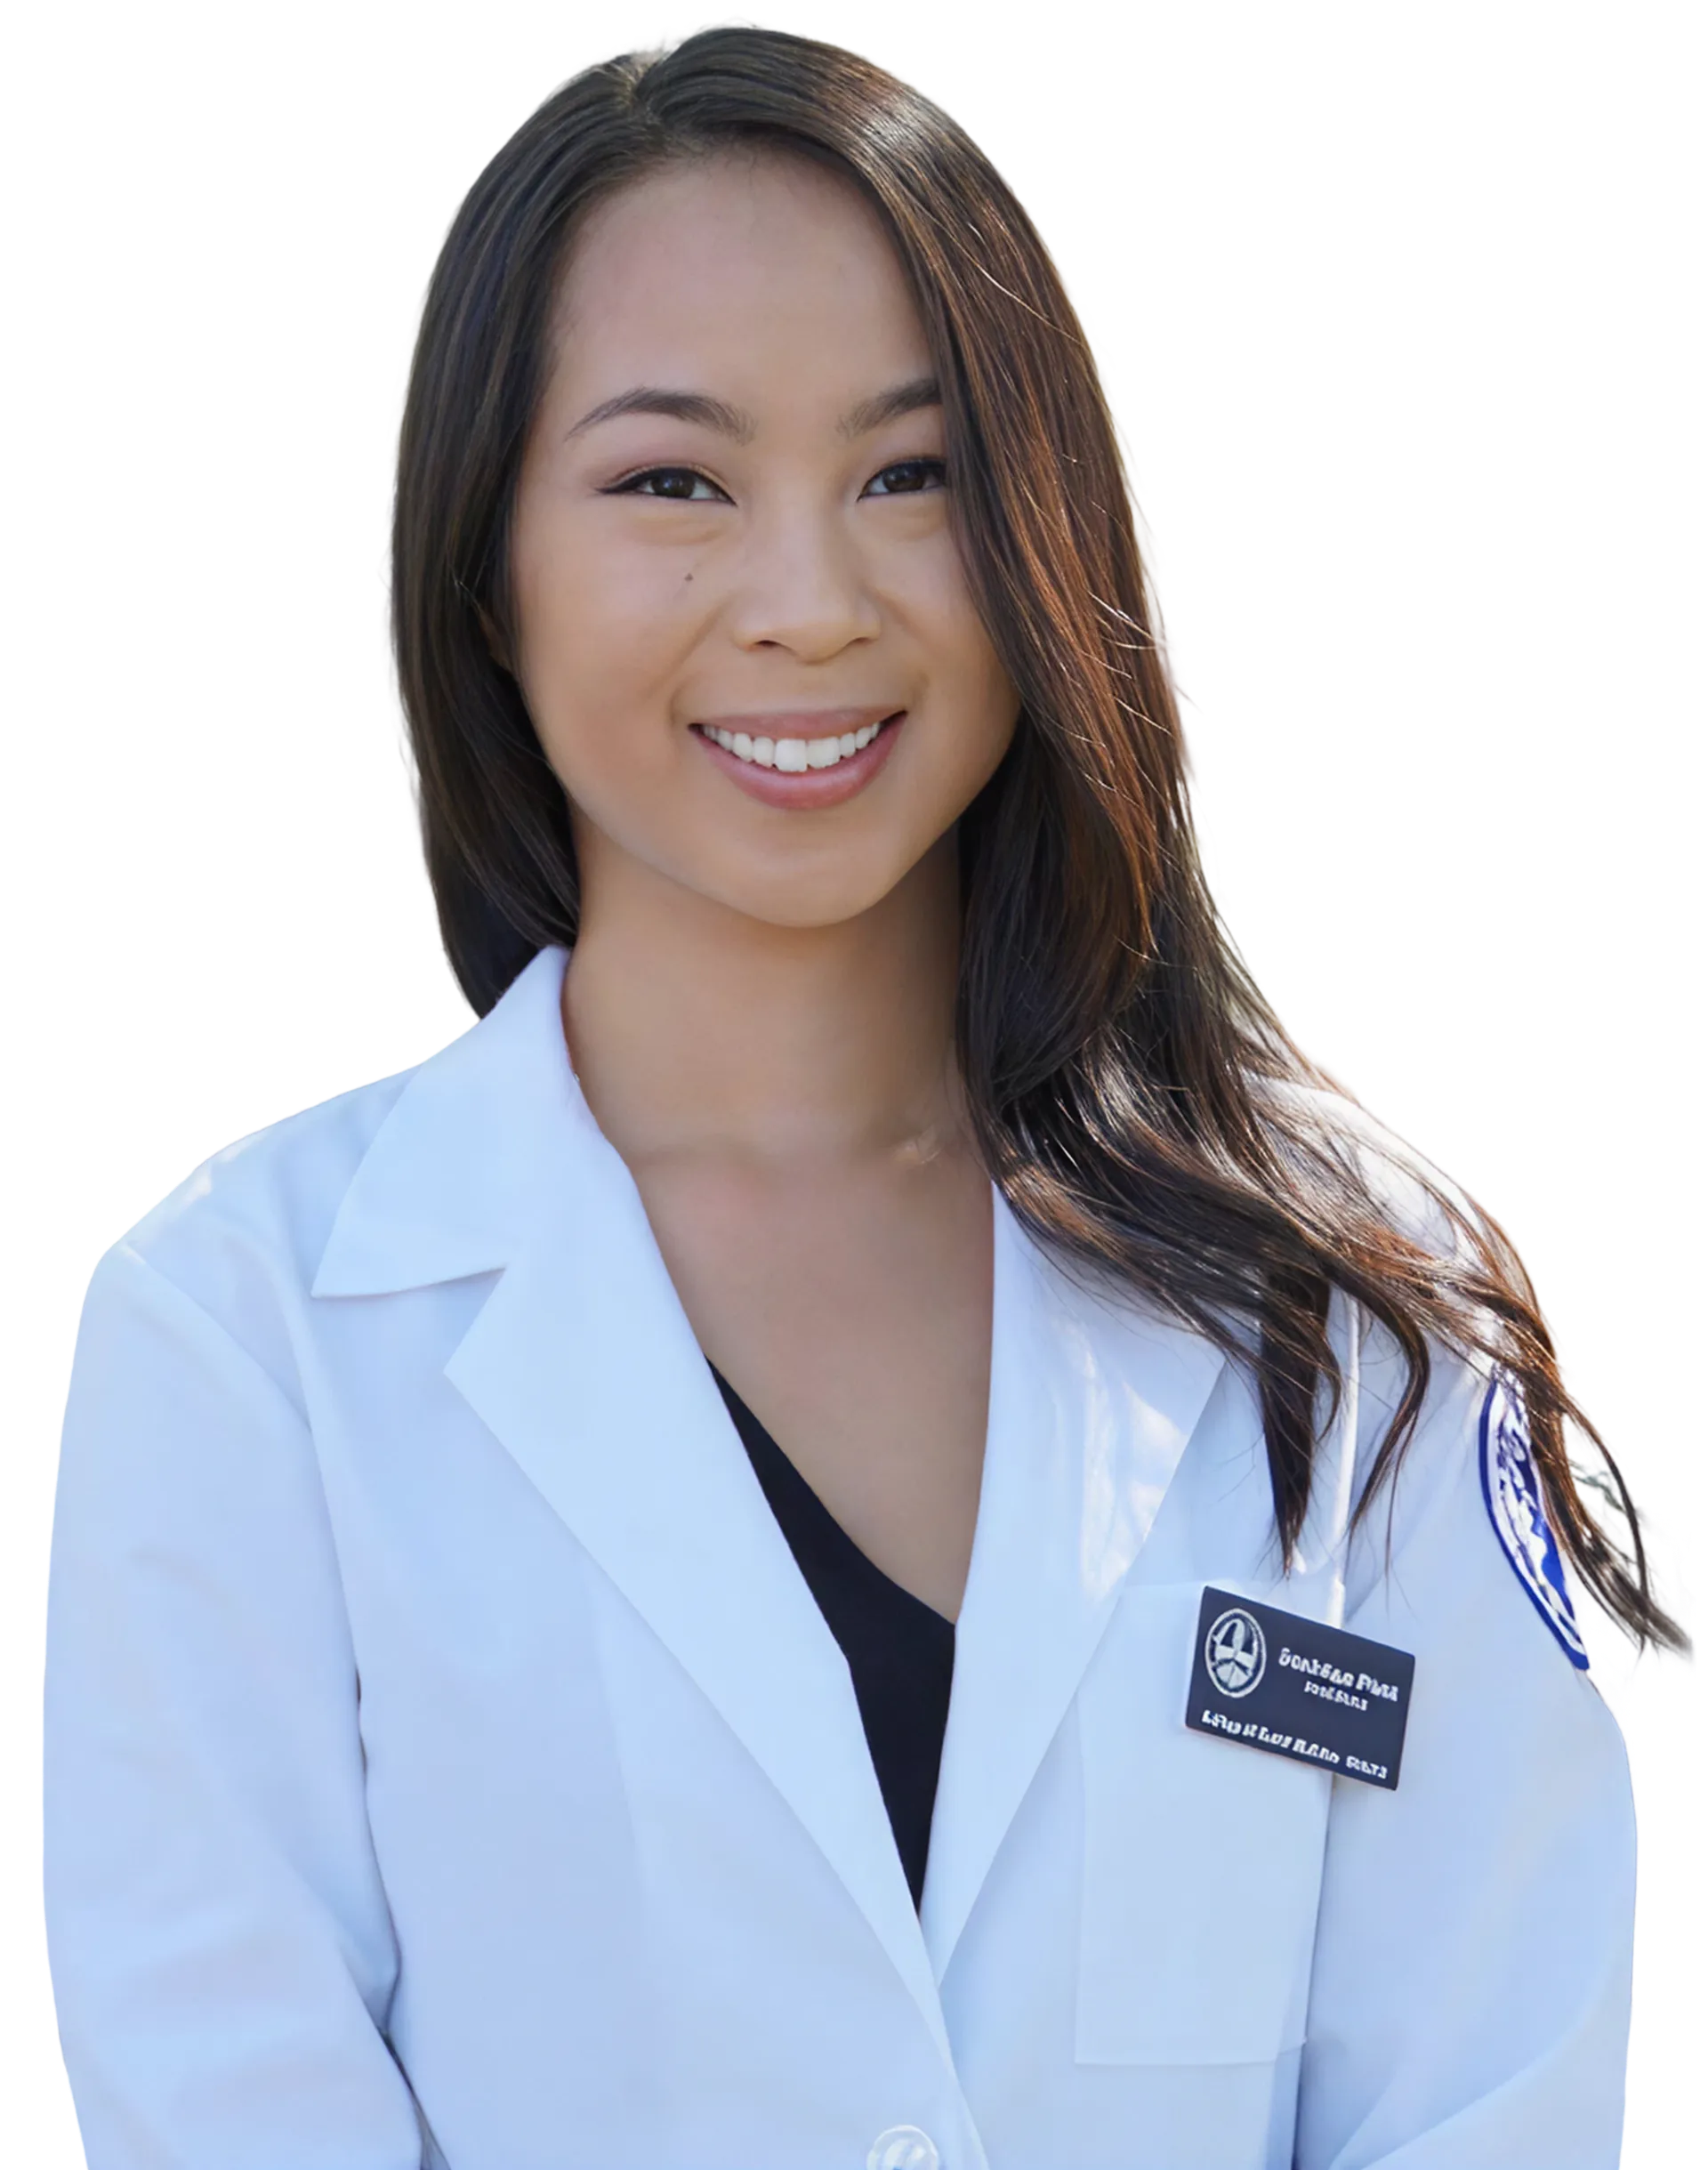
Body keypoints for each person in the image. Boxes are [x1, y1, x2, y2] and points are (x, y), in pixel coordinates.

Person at [41, 22, 1693, 2169]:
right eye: (671, 482)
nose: (810, 605)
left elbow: (1494, 2106)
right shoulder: (245, 1334)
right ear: (483, 571)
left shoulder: (1367, 1294)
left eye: (911, 476)